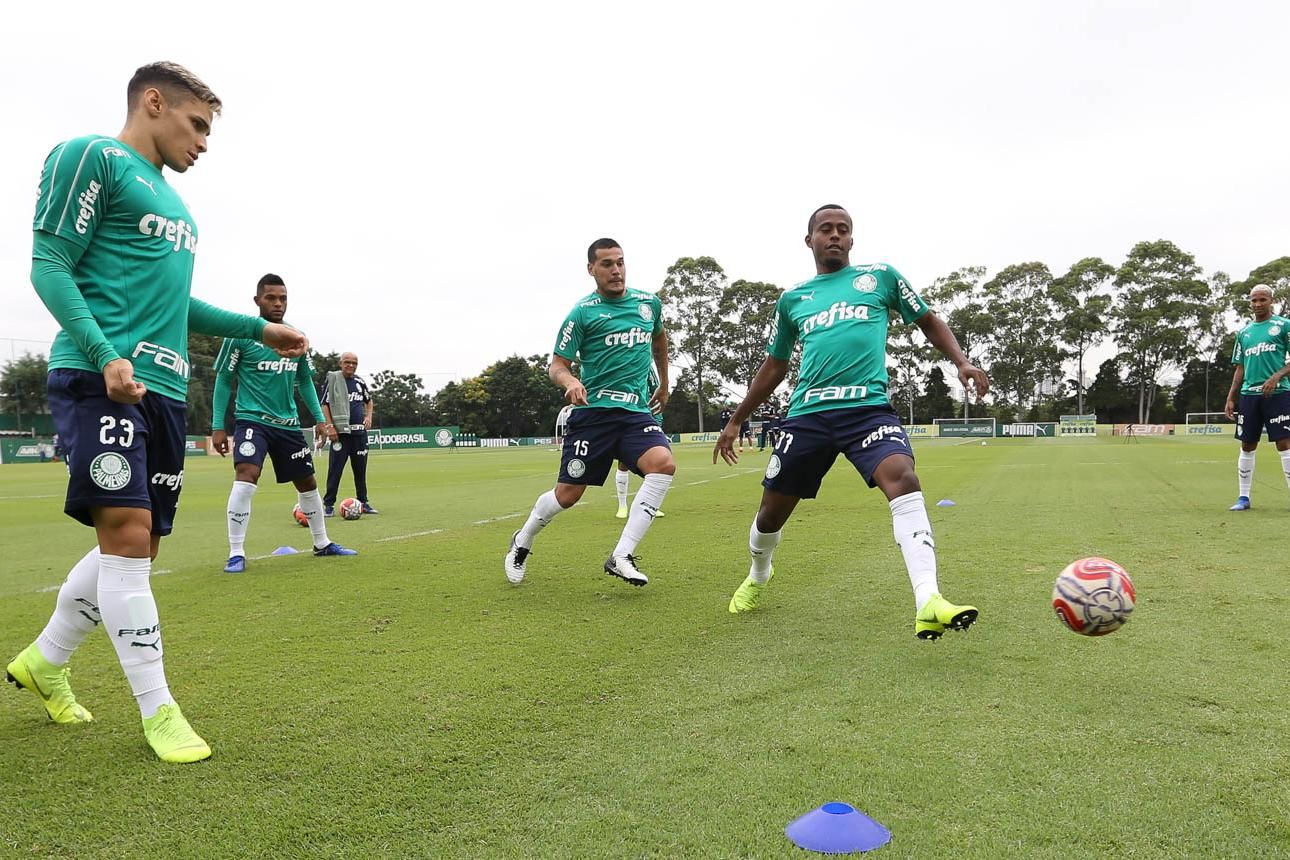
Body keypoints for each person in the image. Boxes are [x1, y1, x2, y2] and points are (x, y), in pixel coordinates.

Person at [6, 62, 308, 763]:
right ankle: (159, 709)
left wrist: (257, 330)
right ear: (152, 102)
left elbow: (179, 306)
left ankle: (46, 660)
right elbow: (49, 262)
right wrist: (104, 351)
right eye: (196, 124)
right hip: (97, 377)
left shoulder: (178, 209)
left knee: (137, 544)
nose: (203, 141)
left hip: (165, 393)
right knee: (130, 534)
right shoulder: (92, 156)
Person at [714, 204, 990, 639]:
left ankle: (928, 600)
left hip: (867, 410)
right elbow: (774, 366)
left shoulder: (880, 277)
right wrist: (736, 420)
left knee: (903, 478)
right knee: (771, 515)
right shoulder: (793, 300)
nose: (836, 236)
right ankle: (759, 573)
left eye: (844, 229)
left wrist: (961, 362)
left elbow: (929, 321)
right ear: (810, 240)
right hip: (808, 416)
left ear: (852, 239)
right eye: (826, 229)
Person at [506, 238, 675, 586]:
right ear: (591, 269)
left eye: (620, 262)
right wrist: (569, 381)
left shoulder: (648, 304)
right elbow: (556, 364)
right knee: (567, 495)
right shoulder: (583, 313)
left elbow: (660, 341)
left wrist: (664, 384)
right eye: (607, 264)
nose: (616, 270)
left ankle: (621, 555)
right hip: (593, 414)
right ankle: (522, 541)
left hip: (634, 413)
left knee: (663, 465)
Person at [211, 274, 358, 573]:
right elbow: (224, 379)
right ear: (257, 301)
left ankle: (322, 543)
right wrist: (217, 425)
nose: (278, 303)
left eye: (283, 298)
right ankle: (236, 552)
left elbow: (304, 380)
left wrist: (319, 419)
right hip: (252, 420)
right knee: (246, 473)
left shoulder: (296, 337)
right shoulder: (240, 335)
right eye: (271, 298)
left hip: (289, 424)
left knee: (307, 482)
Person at [1224, 284, 1290, 511]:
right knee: (1247, 444)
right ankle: (1243, 497)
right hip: (1249, 396)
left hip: (1279, 393)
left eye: (1262, 300)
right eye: (1254, 300)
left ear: (1271, 300)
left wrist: (1276, 376)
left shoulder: (1284, 326)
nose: (1258, 304)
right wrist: (1231, 397)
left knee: (1284, 443)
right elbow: (1240, 368)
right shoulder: (1244, 333)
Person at [320, 353, 378, 517]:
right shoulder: (333, 381)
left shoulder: (359, 381)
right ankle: (329, 504)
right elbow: (324, 404)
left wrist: (368, 416)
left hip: (359, 434)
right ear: (340, 363)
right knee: (335, 469)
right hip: (341, 434)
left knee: (360, 470)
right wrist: (330, 426)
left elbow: (369, 400)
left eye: (354, 363)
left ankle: (363, 502)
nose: (351, 365)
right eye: (347, 362)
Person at [615, 363, 666, 519]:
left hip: (645, 416)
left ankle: (650, 505)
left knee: (655, 462)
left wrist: (656, 417)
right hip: (621, 415)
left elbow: (655, 388)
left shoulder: (646, 366)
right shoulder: (616, 363)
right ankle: (622, 505)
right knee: (623, 462)